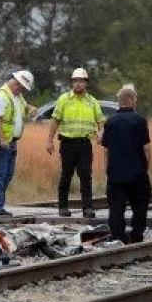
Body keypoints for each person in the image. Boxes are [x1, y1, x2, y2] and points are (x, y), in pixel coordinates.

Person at [46, 68, 106, 218]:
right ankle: (63, 207)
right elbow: (55, 121)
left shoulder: (92, 101)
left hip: (85, 144)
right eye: (75, 81)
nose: (78, 84)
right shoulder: (64, 99)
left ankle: (87, 208)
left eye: (81, 81)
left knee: (86, 176)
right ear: (72, 82)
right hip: (67, 144)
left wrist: (100, 133)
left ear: (86, 83)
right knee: (66, 175)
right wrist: (49, 140)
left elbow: (100, 121)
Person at [101, 87, 151, 244]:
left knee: (116, 208)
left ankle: (118, 235)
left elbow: (106, 150)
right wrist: (145, 167)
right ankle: (137, 234)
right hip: (137, 173)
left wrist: (107, 169)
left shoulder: (110, 122)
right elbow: (146, 148)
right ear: (132, 100)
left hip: (116, 173)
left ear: (119, 102)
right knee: (140, 207)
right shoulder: (140, 121)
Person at [0, 70, 35, 216]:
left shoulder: (17, 96)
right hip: (3, 142)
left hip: (12, 142)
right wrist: (2, 139)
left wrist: (30, 109)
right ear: (16, 82)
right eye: (21, 87)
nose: (22, 90)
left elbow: (23, 107)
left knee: (8, 175)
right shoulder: (1, 96)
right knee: (0, 175)